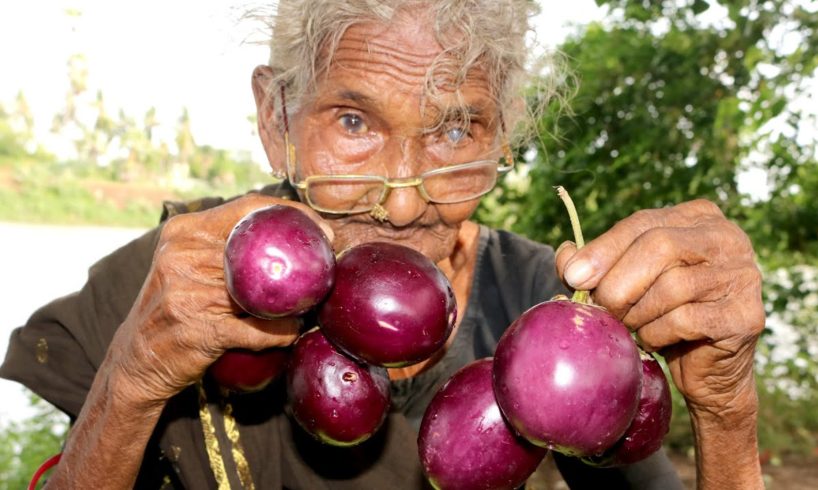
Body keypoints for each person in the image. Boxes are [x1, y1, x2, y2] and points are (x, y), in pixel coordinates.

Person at [1, 1, 765, 488]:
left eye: (457, 129)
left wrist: (728, 412)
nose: (402, 203)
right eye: (355, 123)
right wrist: (132, 379)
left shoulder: (550, 310)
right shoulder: (177, 284)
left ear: (504, 139)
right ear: (277, 118)